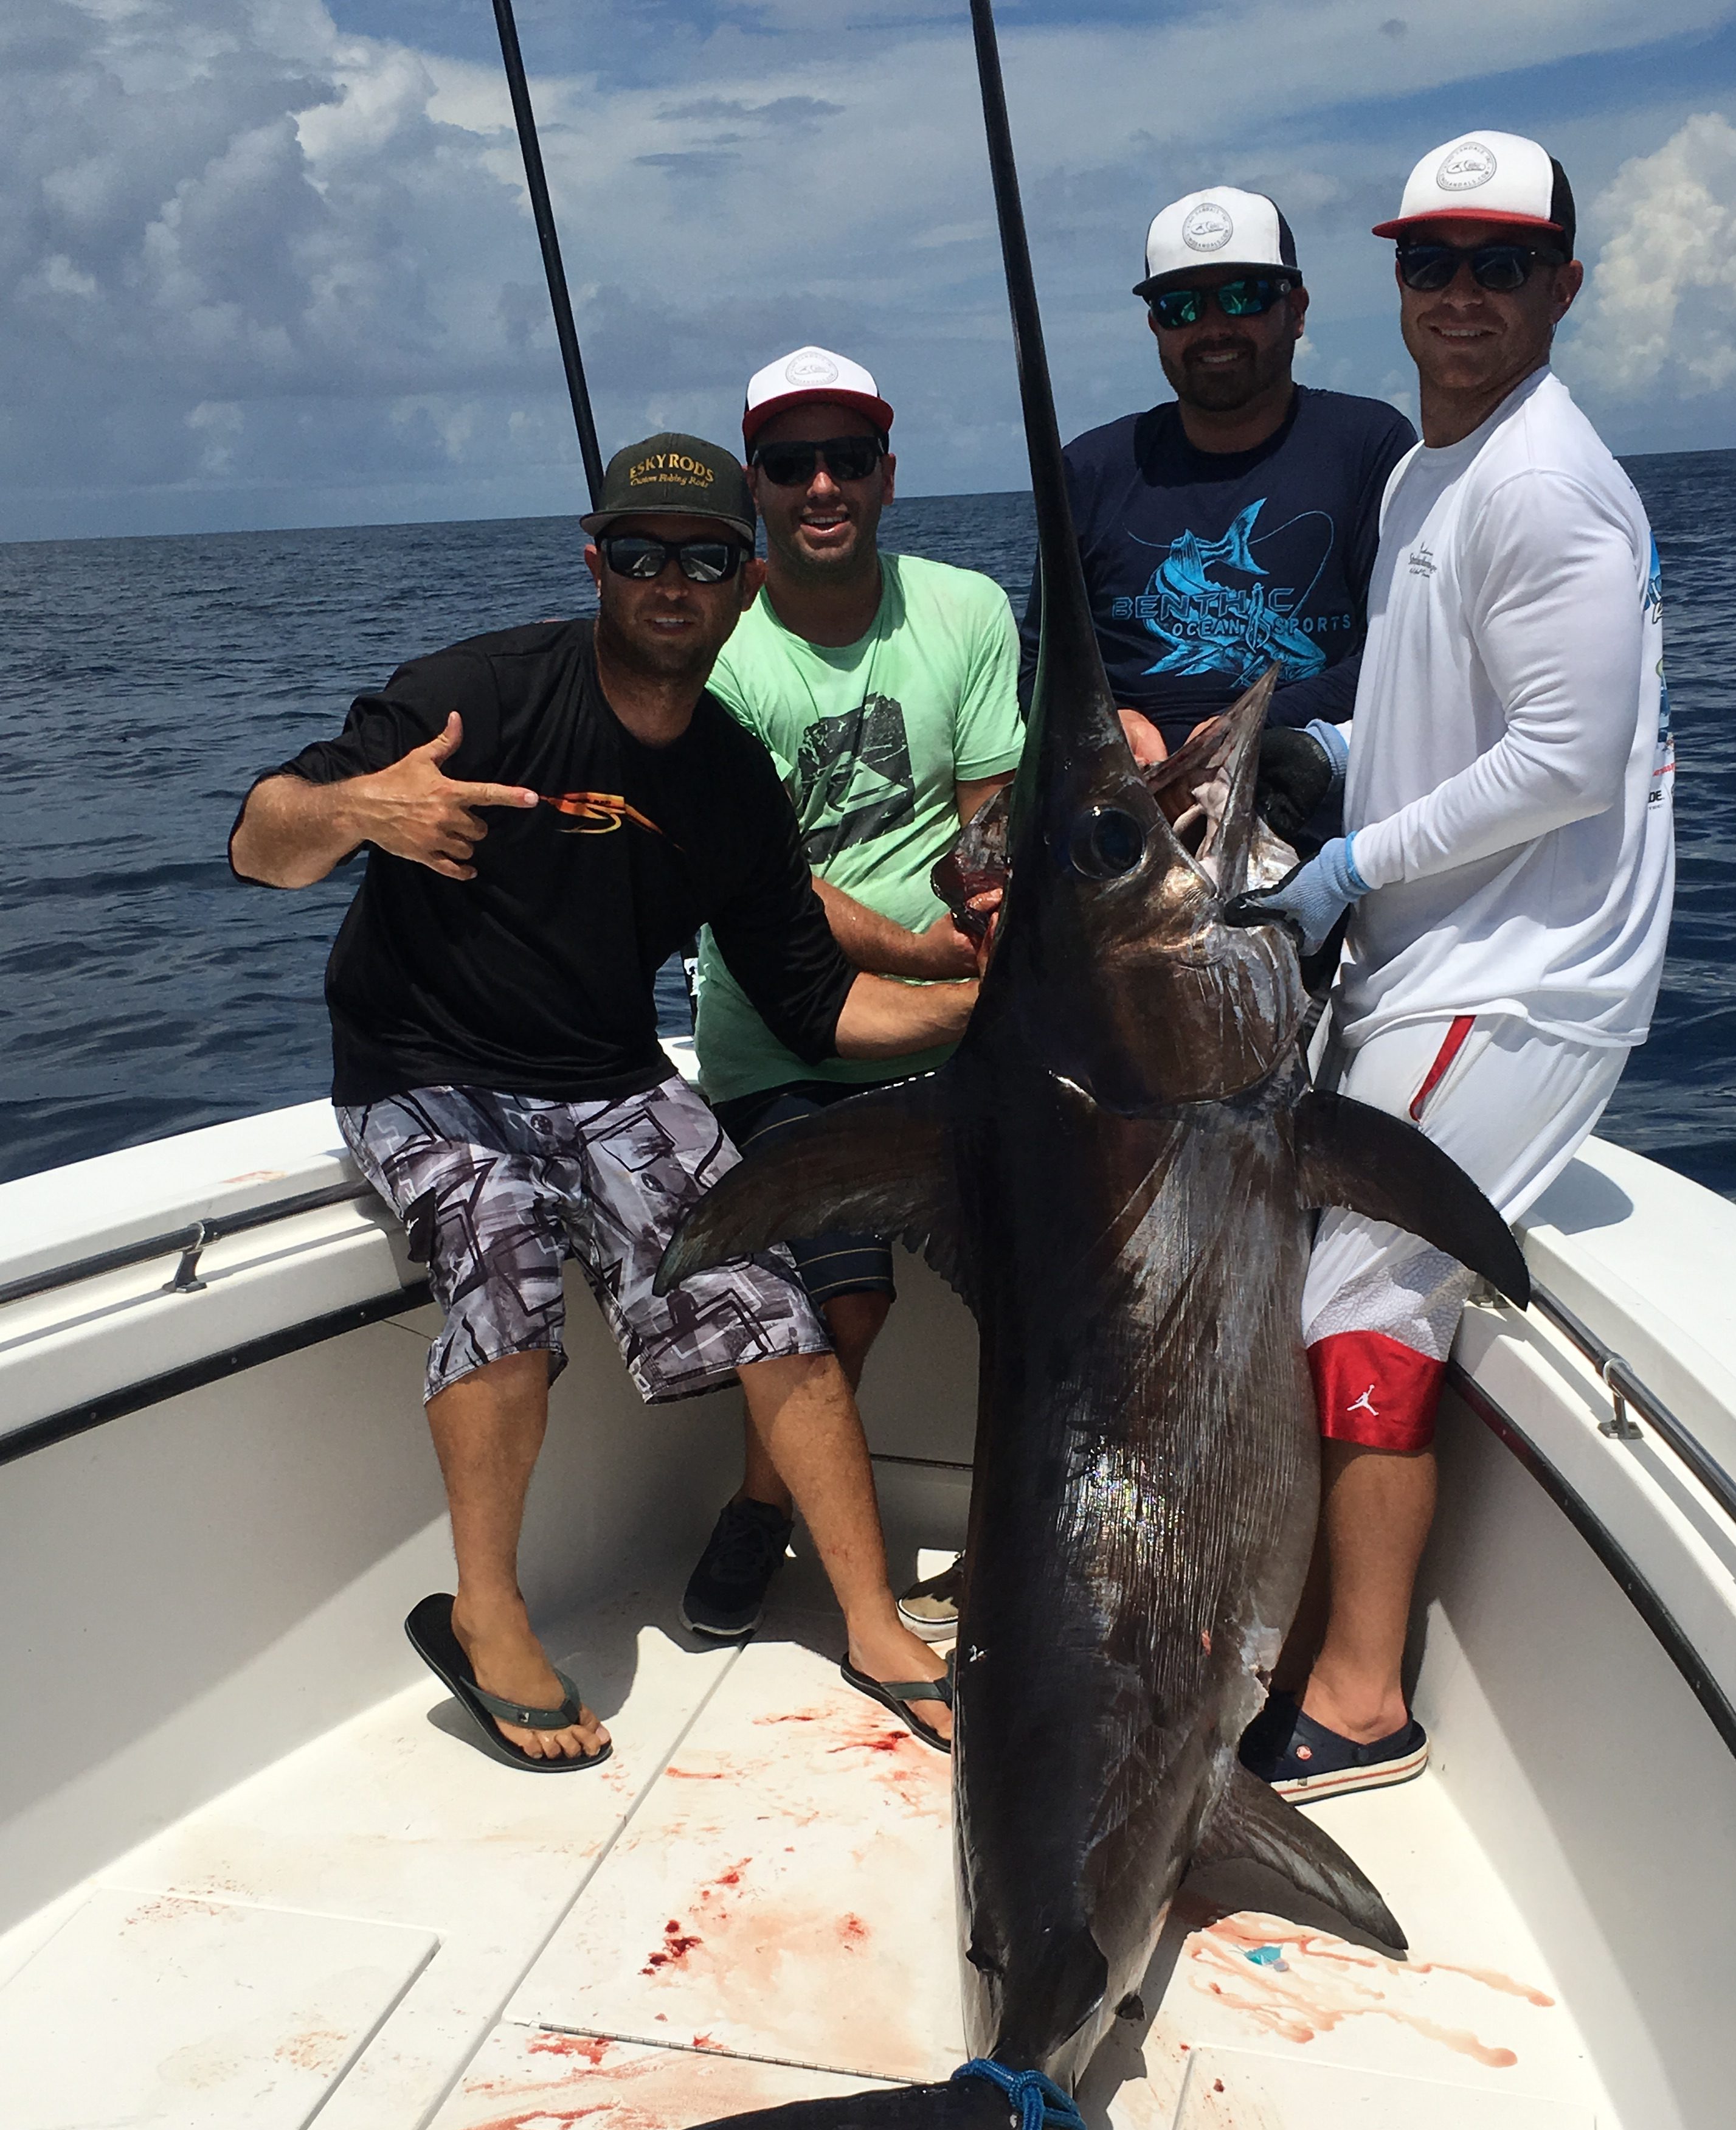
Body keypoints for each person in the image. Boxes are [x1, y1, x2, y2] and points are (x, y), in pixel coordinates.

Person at [230, 433, 973, 1764]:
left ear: (744, 583)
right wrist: (360, 808)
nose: (669, 583)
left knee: (774, 1291)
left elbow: (814, 1002)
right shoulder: (475, 696)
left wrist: (988, 1003)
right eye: (640, 555)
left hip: (605, 1077)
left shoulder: (734, 780)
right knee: (501, 1237)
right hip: (422, 1073)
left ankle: (869, 1618)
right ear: (596, 564)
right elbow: (259, 843)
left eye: (700, 558)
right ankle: (487, 1612)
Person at [1236, 132, 1675, 1799]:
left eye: (1503, 265)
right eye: (1435, 263)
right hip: (1430, 949)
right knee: (1306, 1274)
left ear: (1563, 284)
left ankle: (1361, 1703)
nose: (1464, 295)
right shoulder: (1434, 468)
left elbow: (1566, 761)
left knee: (1364, 1293)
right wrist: (1342, 750)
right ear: (1399, 283)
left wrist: (1354, 857)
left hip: (1523, 968)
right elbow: (1468, 708)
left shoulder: (1547, 482)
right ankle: (1301, 1635)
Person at [680, 349, 1023, 1643]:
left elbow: (988, 817)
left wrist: (986, 923)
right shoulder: (720, 649)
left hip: (956, 1023)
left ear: (888, 473)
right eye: (788, 462)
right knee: (844, 1297)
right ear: (755, 489)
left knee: (1058, 1274)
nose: (820, 483)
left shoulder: (968, 609)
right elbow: (769, 886)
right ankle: (761, 1513)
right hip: (789, 1029)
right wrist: (932, 957)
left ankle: (1019, 1542)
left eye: (846, 458)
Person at [1018, 184, 1414, 786]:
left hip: (1305, 800)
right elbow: (1037, 670)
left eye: (1244, 296)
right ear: (1155, 324)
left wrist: (1255, 726)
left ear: (1298, 308)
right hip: (1134, 814)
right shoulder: (1091, 469)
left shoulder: (1369, 446)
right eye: (1181, 306)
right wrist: (1104, 723)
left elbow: (1407, 646)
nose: (1214, 327)